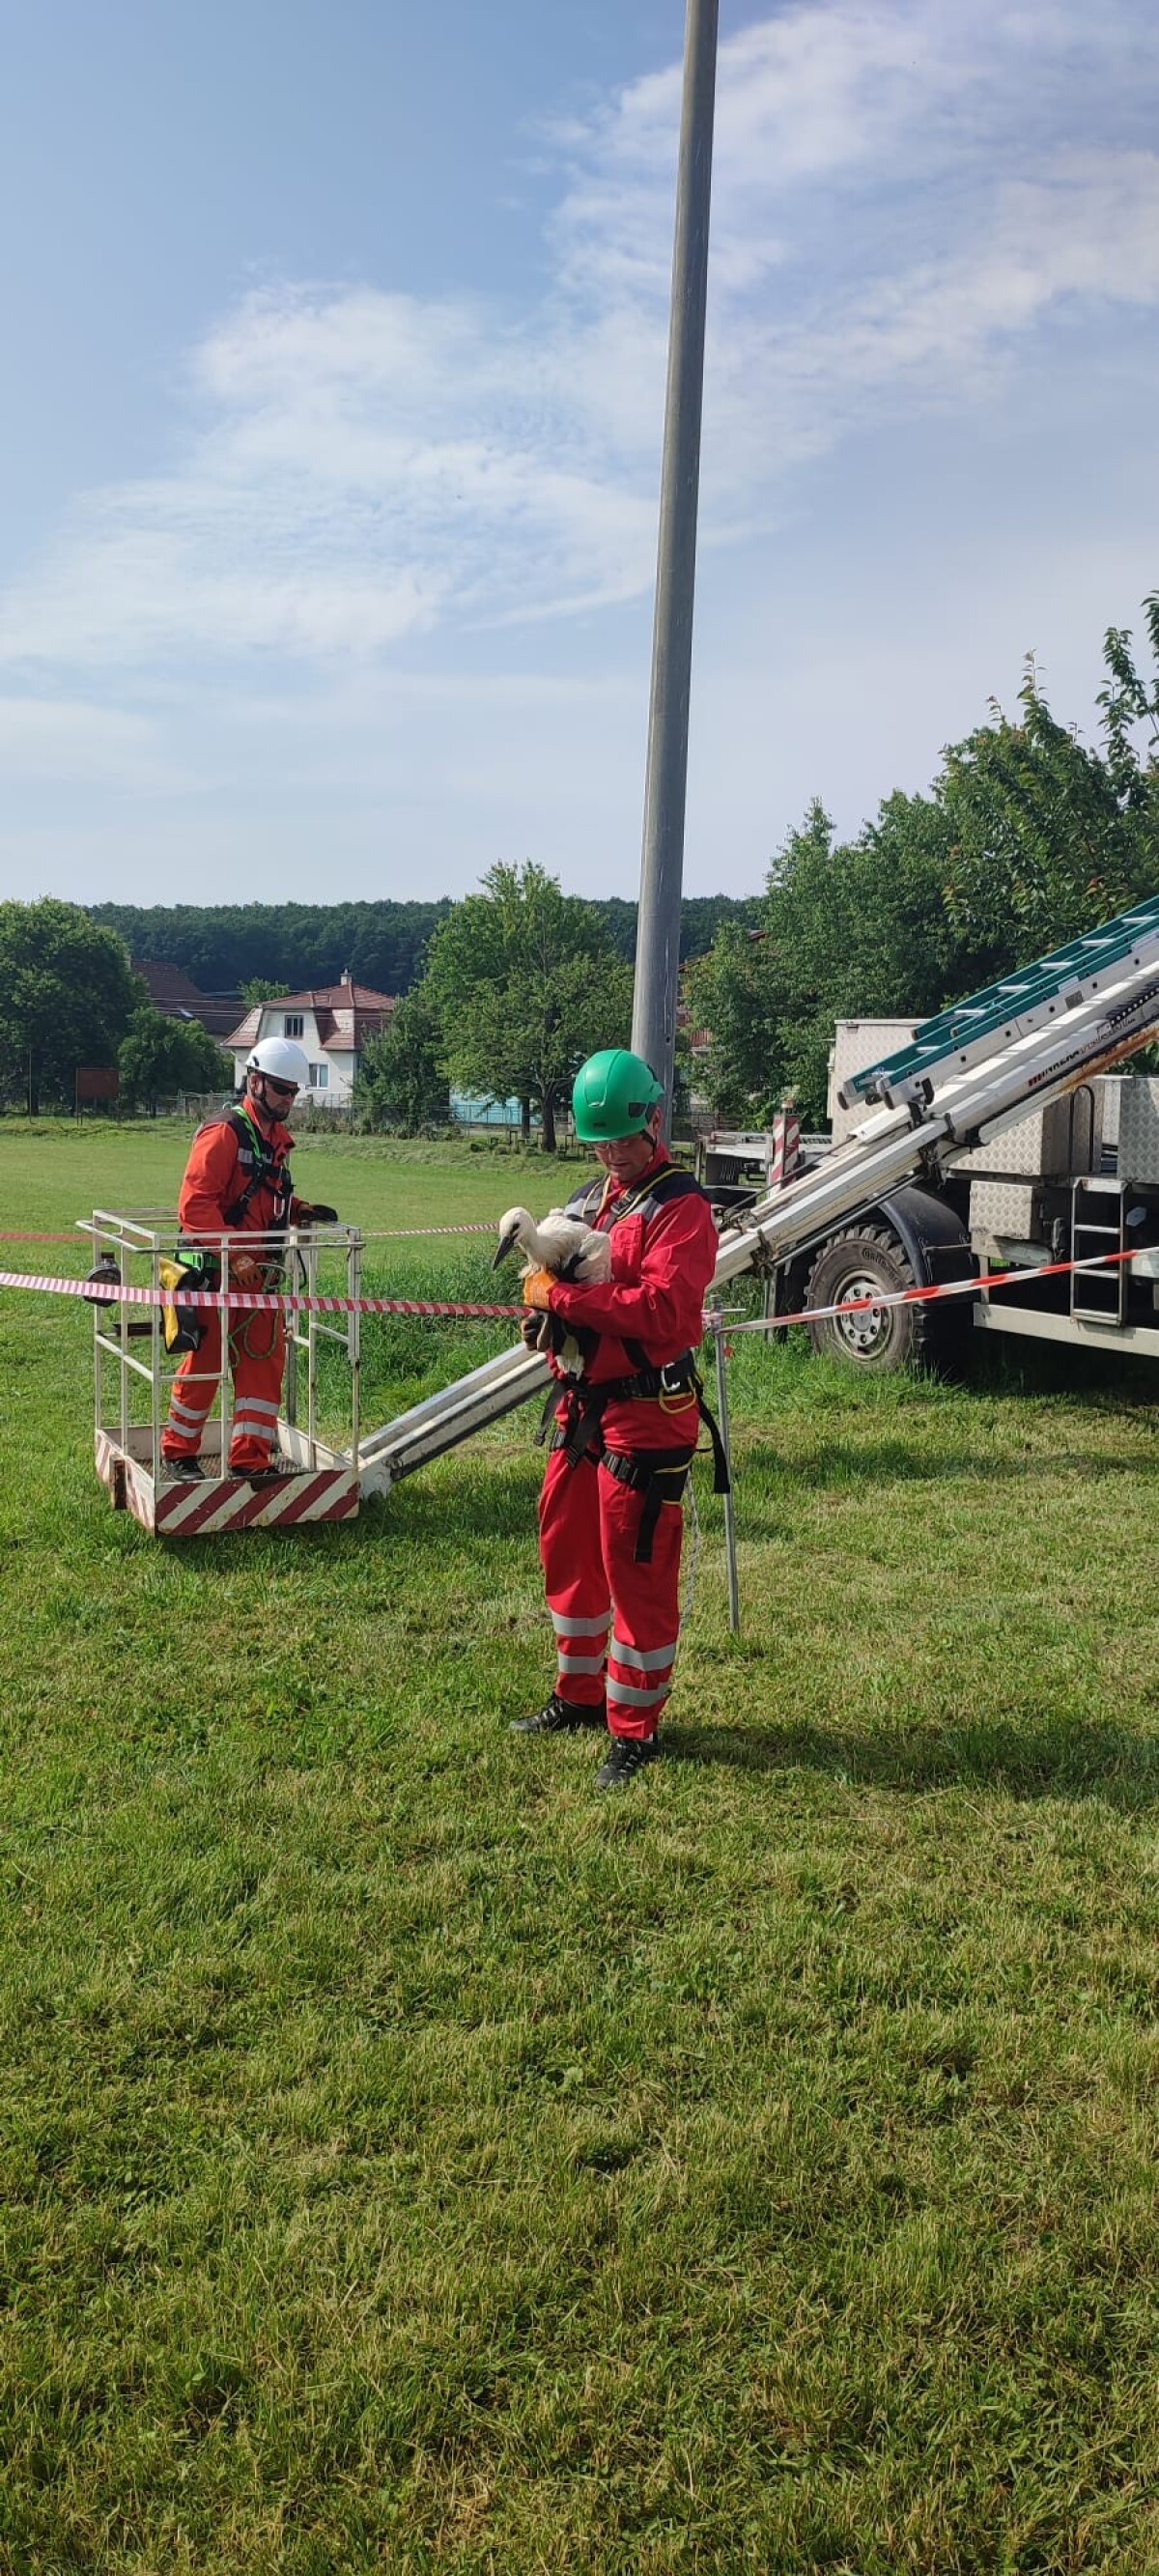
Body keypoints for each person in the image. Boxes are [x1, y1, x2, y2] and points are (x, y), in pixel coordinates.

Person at [511, 1047, 722, 1791]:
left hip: (648, 1412)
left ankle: (635, 1726)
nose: (611, 1157)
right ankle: (577, 1694)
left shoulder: (681, 1208)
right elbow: (546, 1275)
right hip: (583, 1403)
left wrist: (564, 1304)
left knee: (636, 1566)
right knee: (566, 1544)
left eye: (621, 1144)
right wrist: (543, 1323)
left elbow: (664, 1311)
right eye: (598, 1145)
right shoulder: (589, 1197)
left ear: (654, 1122)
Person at [160, 1038, 338, 1482]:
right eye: (281, 1089)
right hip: (214, 1273)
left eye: (294, 1092)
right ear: (254, 1082)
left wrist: (299, 1210)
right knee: (203, 1364)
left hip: (258, 1277)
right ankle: (177, 1452)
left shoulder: (272, 1139)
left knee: (264, 1364)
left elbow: (264, 1195)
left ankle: (250, 1459)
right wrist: (236, 1253)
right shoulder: (224, 1133)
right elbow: (195, 1207)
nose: (289, 1099)